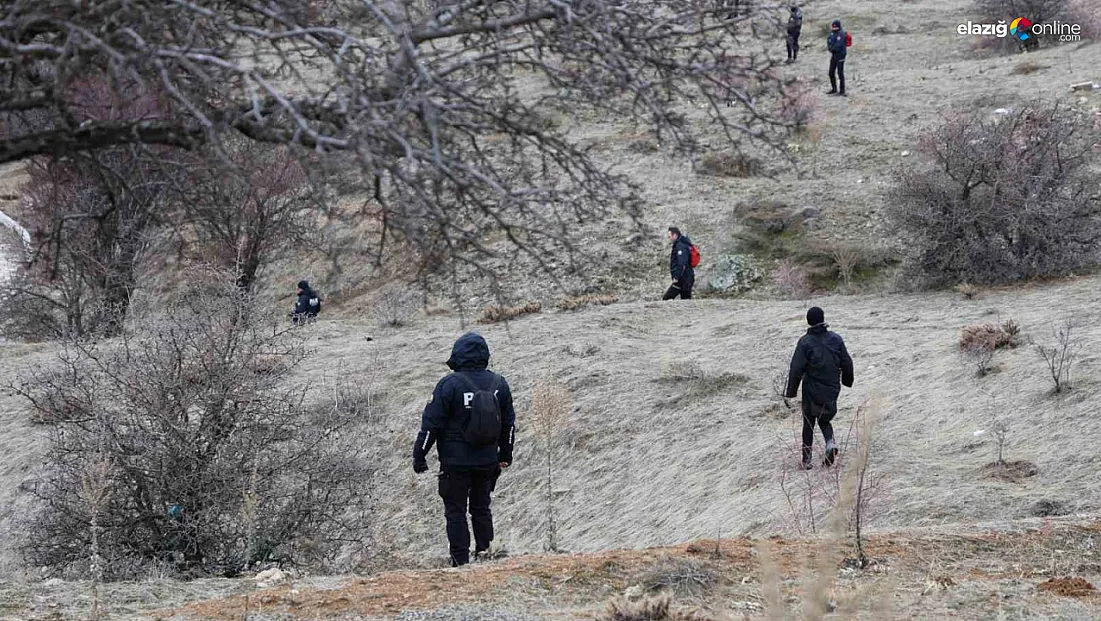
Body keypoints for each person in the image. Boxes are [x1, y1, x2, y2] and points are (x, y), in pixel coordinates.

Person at [413, 333, 517, 567]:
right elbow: (509, 425)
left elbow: (431, 425)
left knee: (456, 511)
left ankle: (460, 563)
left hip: (455, 463)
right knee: (481, 508)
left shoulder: (449, 385)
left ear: (457, 355)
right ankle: (486, 555)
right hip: (488, 461)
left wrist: (419, 455)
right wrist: (505, 455)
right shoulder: (499, 384)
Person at [785, 307, 854, 470]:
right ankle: (830, 443)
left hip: (812, 387)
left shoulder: (805, 342)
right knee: (824, 417)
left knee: (809, 421)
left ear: (809, 321)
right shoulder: (836, 339)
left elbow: (796, 368)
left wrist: (791, 392)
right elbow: (847, 362)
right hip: (832, 386)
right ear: (823, 319)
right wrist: (846, 381)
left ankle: (807, 460)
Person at [663, 227, 695, 300]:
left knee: (667, 298)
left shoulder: (680, 246)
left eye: (669, 237)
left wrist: (676, 277)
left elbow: (682, 263)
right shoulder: (682, 244)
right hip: (685, 278)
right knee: (686, 300)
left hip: (683, 279)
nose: (669, 239)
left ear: (675, 235)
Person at [826, 19, 847, 96]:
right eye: (833, 27)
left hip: (840, 54)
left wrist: (833, 48)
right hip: (834, 54)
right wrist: (830, 48)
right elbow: (829, 41)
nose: (834, 28)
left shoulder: (841, 34)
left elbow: (839, 44)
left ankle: (842, 90)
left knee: (840, 73)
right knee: (831, 72)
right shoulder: (832, 33)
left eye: (835, 27)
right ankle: (834, 88)